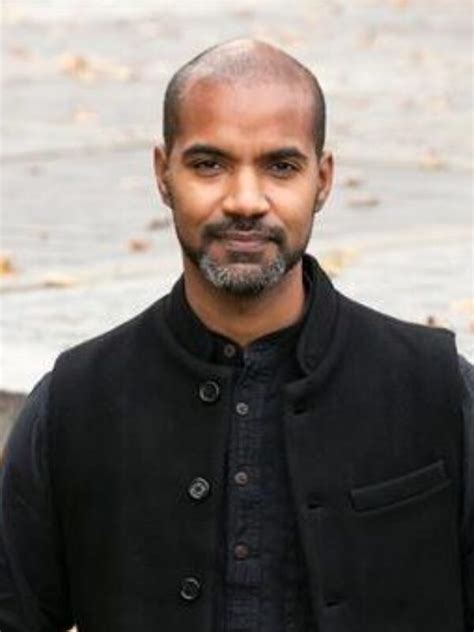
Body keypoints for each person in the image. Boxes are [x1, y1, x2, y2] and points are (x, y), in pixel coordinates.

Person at [0, 38, 472, 632]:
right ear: (162, 174)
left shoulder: (435, 389)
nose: (245, 201)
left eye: (281, 166)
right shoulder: (76, 402)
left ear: (323, 179)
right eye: (209, 164)